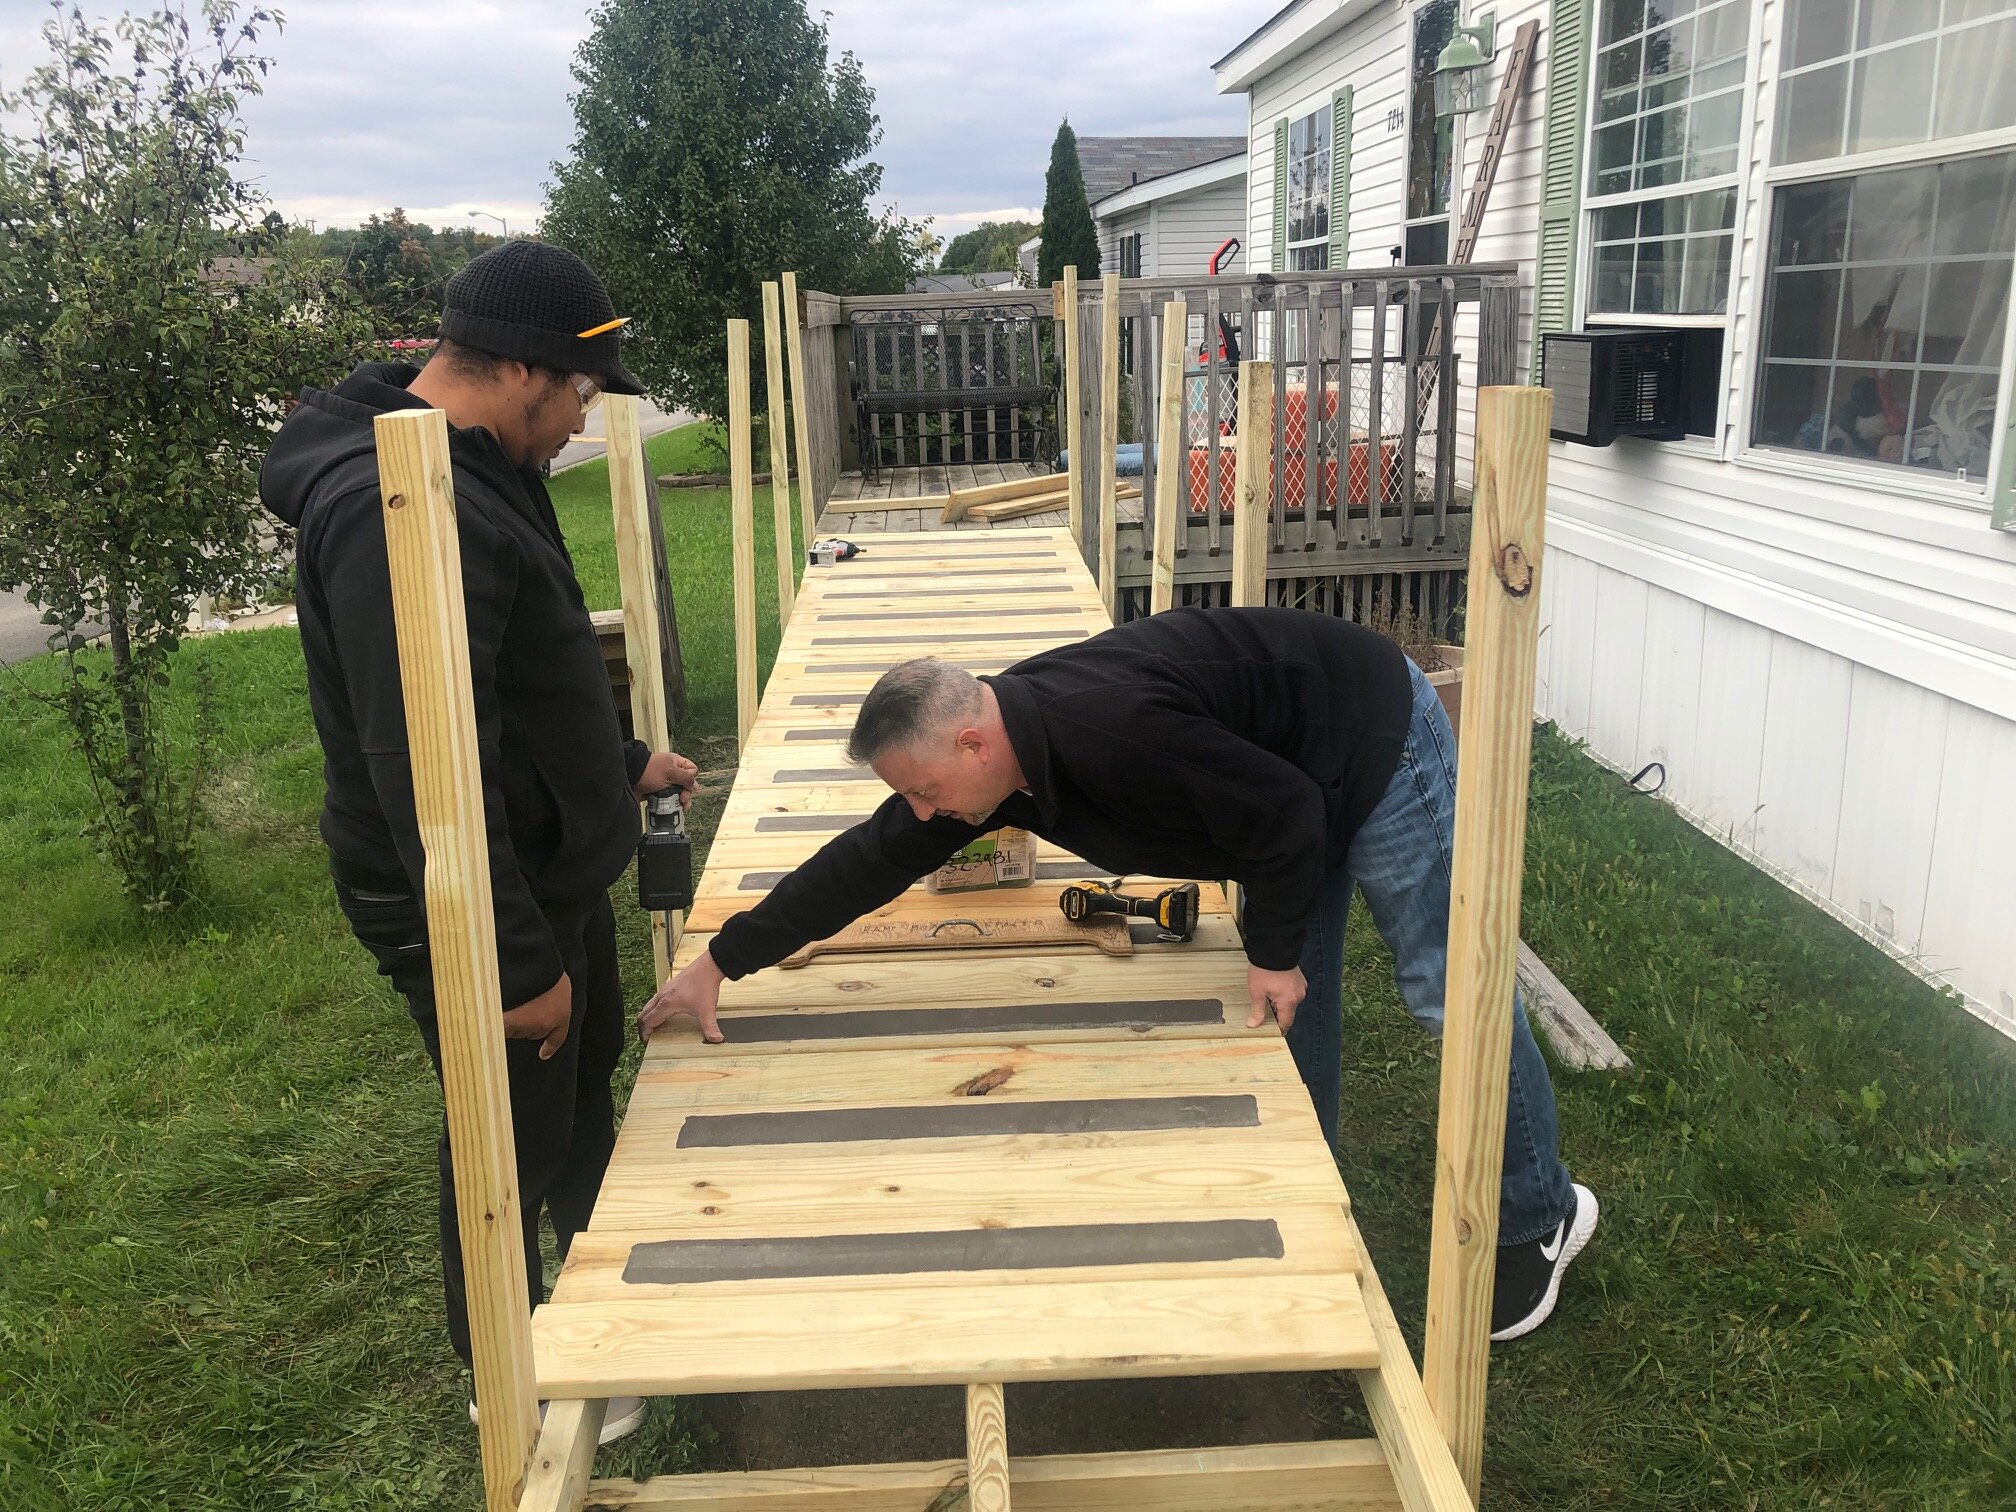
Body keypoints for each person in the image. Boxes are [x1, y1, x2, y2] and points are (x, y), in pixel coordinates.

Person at [638, 606, 1596, 1340]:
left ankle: (1540, 1215)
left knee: (1444, 989)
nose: (925, 816)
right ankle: (1312, 1207)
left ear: (972, 741)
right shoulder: (996, 757)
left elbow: (1289, 814)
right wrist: (723, 961)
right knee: (1296, 1000)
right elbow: (868, 858)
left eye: (926, 791)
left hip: (1370, 739)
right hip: (1285, 782)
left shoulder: (1109, 733)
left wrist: (1269, 951)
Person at [261, 240, 695, 1440]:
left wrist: (618, 769)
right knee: (502, 1136)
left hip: (529, 870)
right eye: (580, 398)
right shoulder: (387, 502)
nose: (581, 425)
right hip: (466, 893)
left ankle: (596, 1314)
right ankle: (504, 1373)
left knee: (575, 1095)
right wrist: (510, 967)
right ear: (517, 371)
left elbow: (496, 700)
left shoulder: (477, 467)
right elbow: (419, 763)